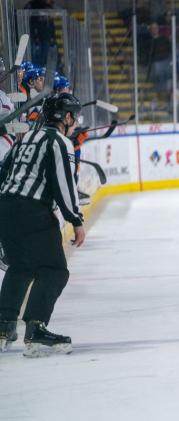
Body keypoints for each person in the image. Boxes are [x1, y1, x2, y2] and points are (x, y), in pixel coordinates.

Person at [0, 93, 85, 357]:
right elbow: (65, 185)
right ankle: (36, 330)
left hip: (4, 208)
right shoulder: (59, 142)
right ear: (67, 117)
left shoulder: (24, 139)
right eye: (74, 116)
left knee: (20, 267)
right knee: (54, 271)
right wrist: (76, 220)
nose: (75, 122)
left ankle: (3, 328)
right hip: (32, 211)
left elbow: (3, 173)